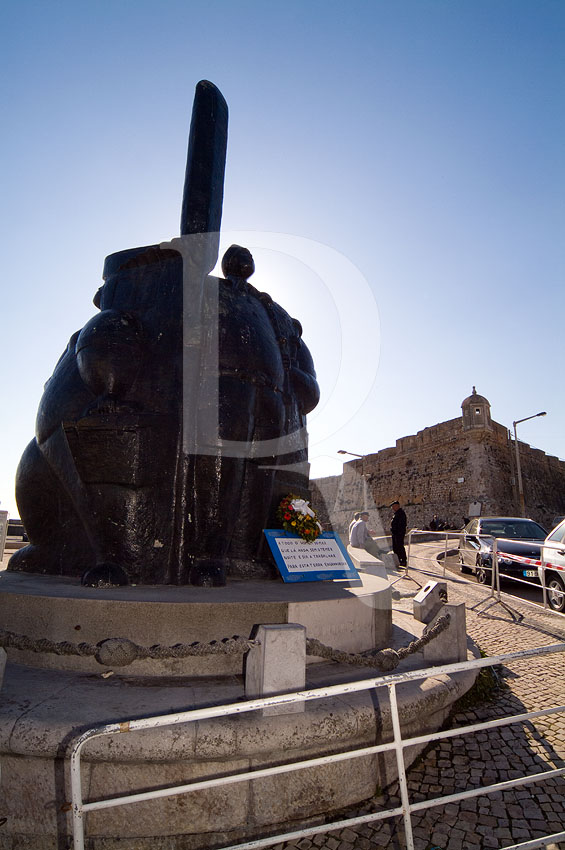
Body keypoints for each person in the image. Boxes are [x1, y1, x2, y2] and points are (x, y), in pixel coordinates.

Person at [390, 500, 407, 567]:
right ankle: (398, 560)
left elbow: (401, 524)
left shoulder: (401, 514)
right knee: (396, 547)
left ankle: (403, 560)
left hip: (398, 534)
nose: (392, 508)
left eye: (393, 506)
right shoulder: (397, 513)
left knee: (400, 546)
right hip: (395, 533)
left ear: (397, 506)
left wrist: (397, 531)